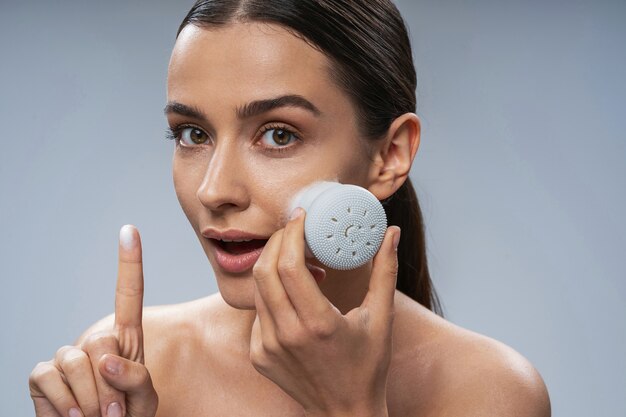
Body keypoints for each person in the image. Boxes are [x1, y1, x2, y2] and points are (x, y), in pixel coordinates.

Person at [29, 1, 551, 416]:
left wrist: (348, 408)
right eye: (193, 134)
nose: (215, 190)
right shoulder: (134, 368)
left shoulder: (491, 392)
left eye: (278, 134)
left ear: (390, 155)